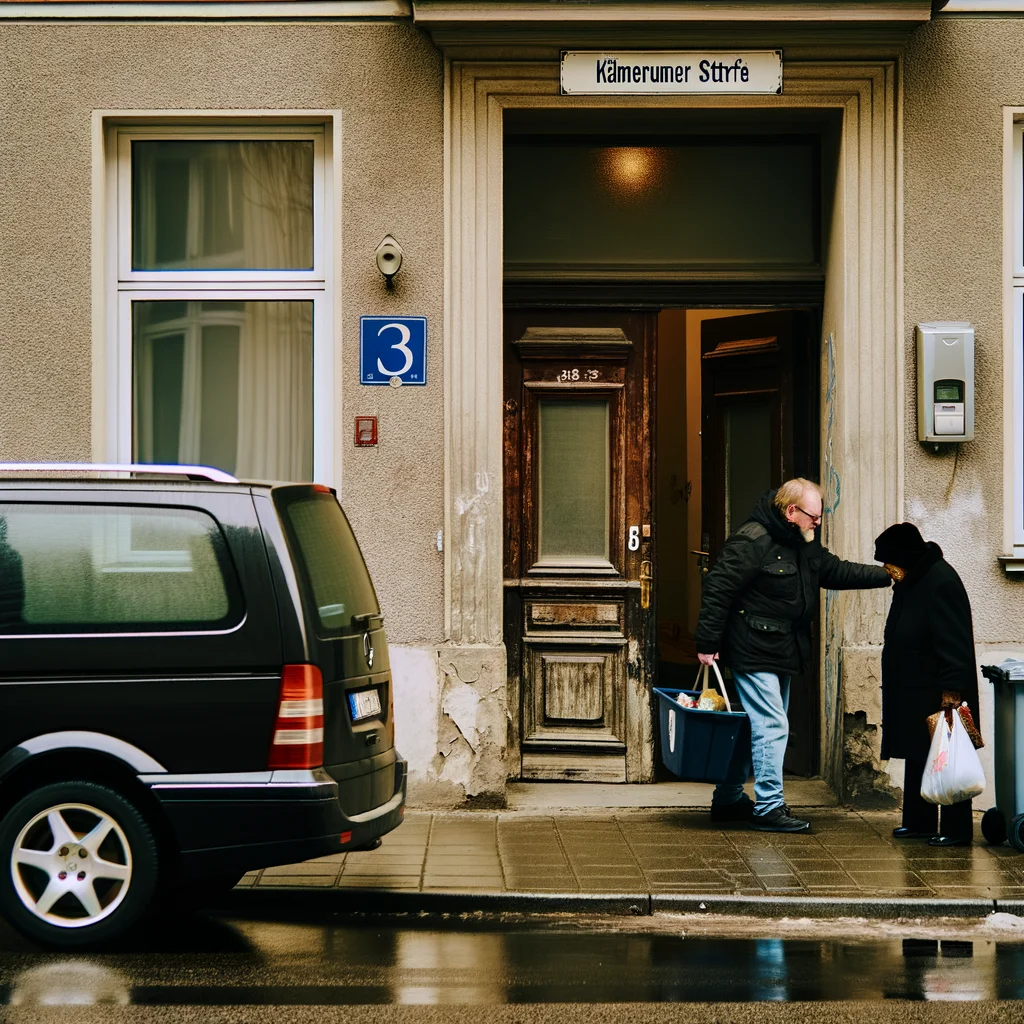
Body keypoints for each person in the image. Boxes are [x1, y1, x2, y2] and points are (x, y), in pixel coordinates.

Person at [694, 479, 891, 833]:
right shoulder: (752, 539)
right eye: (813, 517)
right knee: (772, 725)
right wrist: (706, 642)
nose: (817, 523)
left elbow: (834, 571)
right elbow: (718, 589)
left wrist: (887, 576)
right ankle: (769, 807)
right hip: (753, 648)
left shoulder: (802, 542)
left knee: (749, 725)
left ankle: (727, 798)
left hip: (782, 648)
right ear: (791, 511)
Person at [873, 522, 979, 847]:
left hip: (939, 690)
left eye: (889, 562)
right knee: (920, 753)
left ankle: (958, 828)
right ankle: (918, 822)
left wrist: (952, 690)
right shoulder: (913, 580)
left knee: (949, 754)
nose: (887, 570)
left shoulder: (940, 581)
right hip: (915, 687)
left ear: (903, 557)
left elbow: (955, 641)